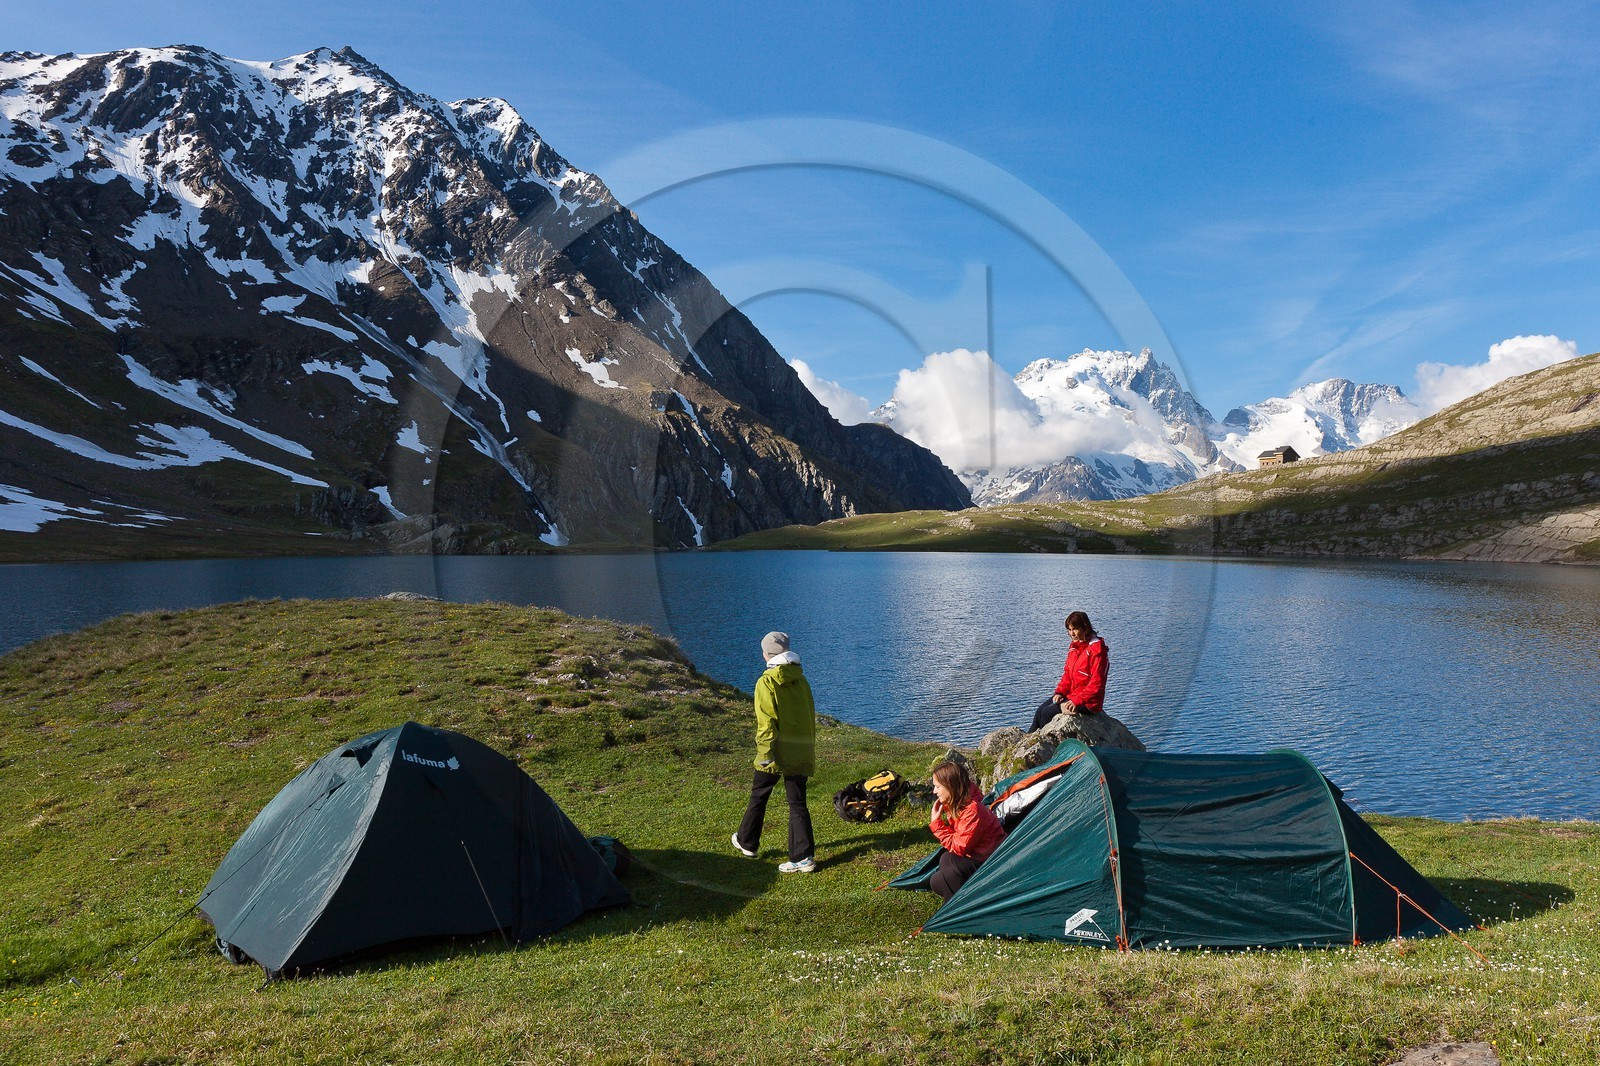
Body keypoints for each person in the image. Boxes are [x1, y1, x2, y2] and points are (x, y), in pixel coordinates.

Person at [732, 631, 817, 873]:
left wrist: (765, 754)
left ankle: (748, 843)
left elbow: (766, 723)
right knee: (797, 802)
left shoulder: (766, 682)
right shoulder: (801, 679)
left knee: (759, 795)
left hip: (775, 751)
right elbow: (808, 715)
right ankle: (803, 857)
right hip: (799, 749)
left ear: (766, 654)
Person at [927, 760, 1006, 900]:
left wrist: (937, 825)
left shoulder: (972, 809)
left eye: (937, 787)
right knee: (936, 881)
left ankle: (955, 908)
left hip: (992, 862)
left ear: (950, 786)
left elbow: (960, 847)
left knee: (948, 860)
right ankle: (968, 897)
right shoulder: (957, 804)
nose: (934, 791)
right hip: (976, 857)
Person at [1029, 610, 1109, 732]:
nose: (1072, 633)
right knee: (1040, 711)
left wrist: (1076, 701)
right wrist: (1060, 692)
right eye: (1069, 629)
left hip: (1088, 702)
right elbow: (1068, 675)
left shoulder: (1097, 650)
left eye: (1075, 629)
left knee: (1047, 713)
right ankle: (1029, 739)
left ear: (1085, 628)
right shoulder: (1074, 647)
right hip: (1072, 693)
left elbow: (1096, 684)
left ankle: (1048, 742)